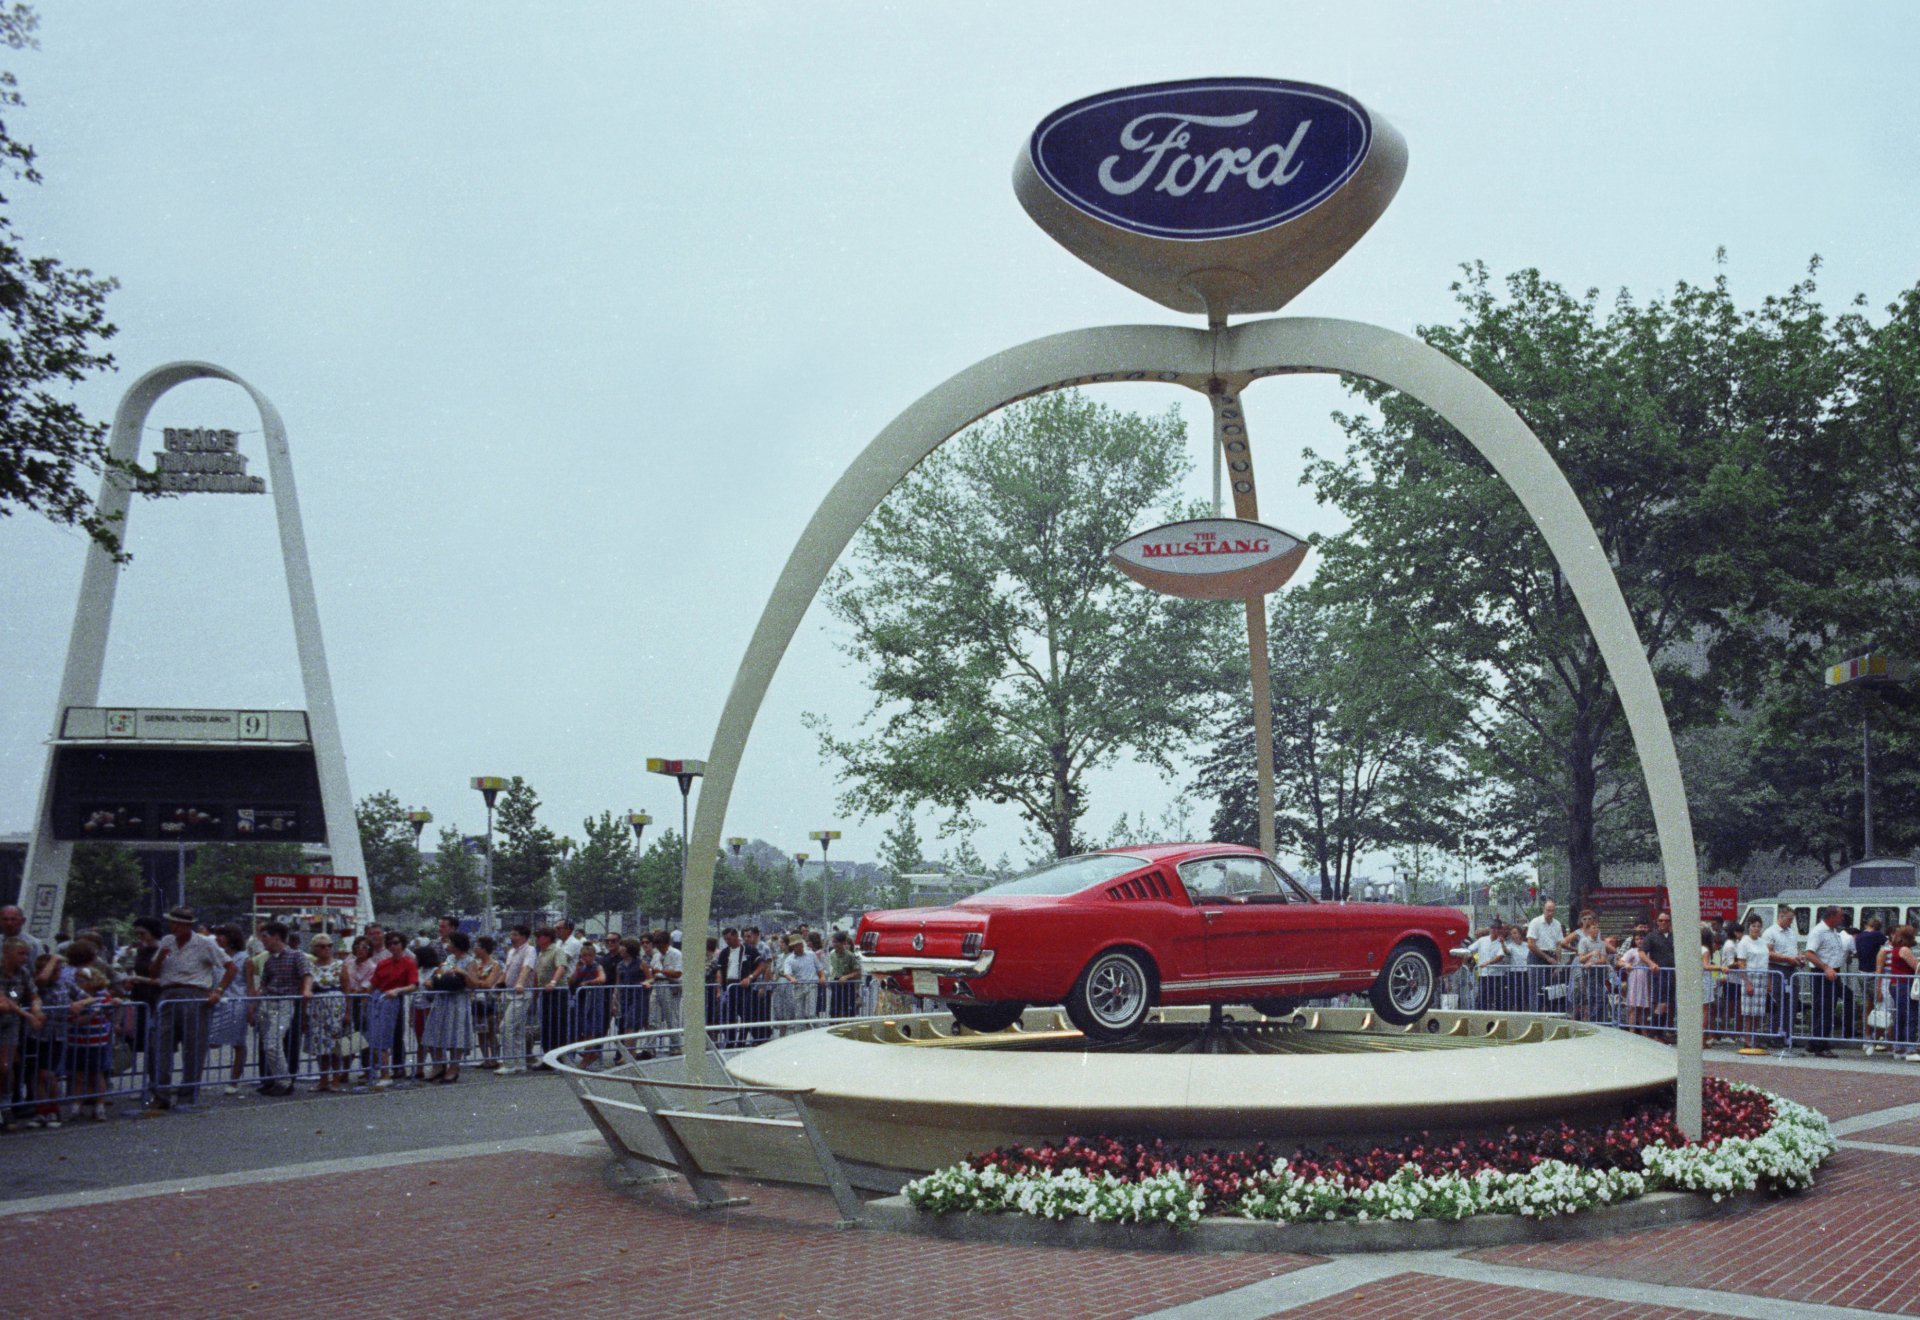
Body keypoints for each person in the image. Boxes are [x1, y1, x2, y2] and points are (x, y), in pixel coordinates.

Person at [147, 906, 234, 1112]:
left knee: (193, 1047)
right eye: (171, 923)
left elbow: (230, 966)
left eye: (177, 923)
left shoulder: (204, 943)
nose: (172, 927)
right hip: (168, 993)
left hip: (195, 993)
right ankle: (161, 1094)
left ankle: (188, 1094)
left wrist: (218, 991)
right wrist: (160, 957)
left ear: (187, 925)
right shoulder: (167, 941)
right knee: (159, 1044)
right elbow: (152, 973)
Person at [254, 922, 310, 1096]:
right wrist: (257, 996)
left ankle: (285, 1081)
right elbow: (264, 982)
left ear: (276, 937)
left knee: (272, 1044)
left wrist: (306, 990)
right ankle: (273, 1079)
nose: (262, 941)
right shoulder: (270, 960)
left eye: (265, 937)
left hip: (285, 1002)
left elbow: (307, 974)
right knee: (267, 1044)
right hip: (268, 1003)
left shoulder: (296, 956)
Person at [420, 930, 477, 1083]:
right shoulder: (449, 958)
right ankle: (438, 1065)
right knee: (435, 1032)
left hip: (458, 1001)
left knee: (455, 1034)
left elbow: (473, 985)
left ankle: (454, 1067)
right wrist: (432, 981)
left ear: (457, 945)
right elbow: (438, 973)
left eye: (450, 942)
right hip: (442, 1000)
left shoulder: (470, 961)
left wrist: (463, 973)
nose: (447, 945)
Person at [0, 937, 44, 1132]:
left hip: (10, 1024)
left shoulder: (23, 972)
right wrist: (28, 1015)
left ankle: (6, 1104)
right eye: (21, 954)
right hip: (8, 1015)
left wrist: (37, 1008)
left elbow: (33, 994)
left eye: (26, 954)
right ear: (7, 954)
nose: (25, 958)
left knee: (6, 1066)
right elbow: (4, 1002)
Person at [366, 932, 417, 1088]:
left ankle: (386, 1074)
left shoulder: (409, 963)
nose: (393, 946)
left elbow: (414, 985)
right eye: (390, 944)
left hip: (392, 1000)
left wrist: (397, 990)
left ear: (402, 944)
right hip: (377, 999)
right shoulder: (383, 963)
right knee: (373, 1036)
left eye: (396, 943)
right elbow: (373, 983)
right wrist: (364, 999)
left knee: (384, 1037)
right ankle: (380, 1071)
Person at [65, 962, 114, 1121]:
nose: (79, 984)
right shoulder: (74, 998)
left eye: (83, 980)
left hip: (97, 1041)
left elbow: (110, 1012)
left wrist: (115, 1005)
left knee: (97, 1074)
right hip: (77, 1041)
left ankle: (99, 1106)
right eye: (77, 980)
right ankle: (76, 1106)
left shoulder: (103, 995)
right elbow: (74, 1020)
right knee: (78, 1075)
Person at [304, 933, 349, 1090]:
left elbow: (347, 989)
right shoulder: (310, 966)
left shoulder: (340, 965)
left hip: (335, 1007)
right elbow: (306, 987)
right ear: (314, 949)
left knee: (336, 1045)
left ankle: (335, 1080)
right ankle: (323, 1080)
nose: (327, 949)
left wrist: (348, 1013)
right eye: (322, 946)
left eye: (329, 945)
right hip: (317, 1008)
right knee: (320, 1046)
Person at [1804, 906, 1848, 1057]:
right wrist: (1825, 967)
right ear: (1832, 916)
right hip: (1823, 973)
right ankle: (1819, 1044)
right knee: (1823, 1008)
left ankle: (1817, 1040)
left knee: (1828, 1008)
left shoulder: (1832, 931)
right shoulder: (1819, 931)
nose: (1842, 919)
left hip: (1833, 972)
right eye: (1840, 916)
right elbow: (1809, 953)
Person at [1763, 905, 1804, 1048]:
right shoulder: (1770, 932)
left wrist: (1799, 956)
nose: (1791, 922)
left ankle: (1788, 1035)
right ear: (1781, 917)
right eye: (1789, 919)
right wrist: (1787, 959)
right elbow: (1769, 953)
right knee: (1778, 1003)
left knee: (1791, 1003)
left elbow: (1796, 947)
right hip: (1777, 969)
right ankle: (1774, 1035)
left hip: (1791, 969)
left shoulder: (1791, 932)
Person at [498, 925, 537, 1074]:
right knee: (518, 1029)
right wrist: (500, 983)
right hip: (509, 993)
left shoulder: (530, 950)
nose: (511, 937)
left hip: (521, 994)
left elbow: (526, 968)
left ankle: (509, 1063)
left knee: (506, 1027)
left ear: (523, 937)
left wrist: (520, 983)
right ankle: (520, 1063)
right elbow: (507, 969)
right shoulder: (511, 951)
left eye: (515, 934)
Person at [1524, 899, 1570, 1013]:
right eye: (1548, 910)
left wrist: (1557, 962)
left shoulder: (1557, 924)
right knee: (1536, 988)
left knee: (1551, 988)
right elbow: (1531, 944)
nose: (1550, 913)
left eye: (1552, 910)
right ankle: (1535, 1013)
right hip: (1537, 955)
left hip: (1551, 956)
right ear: (1543, 910)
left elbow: (1559, 944)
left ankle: (1550, 1012)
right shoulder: (1535, 922)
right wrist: (1547, 957)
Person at [567, 936, 608, 1062]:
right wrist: (577, 970)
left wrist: (589, 983)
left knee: (590, 1028)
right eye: (583, 955)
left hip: (594, 1000)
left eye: (589, 955)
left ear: (594, 955)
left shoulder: (597, 966)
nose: (586, 958)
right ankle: (589, 1051)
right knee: (581, 1028)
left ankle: (591, 1053)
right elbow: (571, 982)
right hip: (583, 1000)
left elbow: (602, 978)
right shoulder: (582, 967)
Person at [1733, 915, 1772, 1045]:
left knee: (1759, 1012)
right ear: (1749, 927)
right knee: (1748, 1012)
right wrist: (1747, 982)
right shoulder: (1744, 942)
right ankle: (1747, 1038)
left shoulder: (1762, 942)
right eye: (1754, 926)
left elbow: (1766, 962)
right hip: (1749, 977)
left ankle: (1755, 1037)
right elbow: (1741, 964)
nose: (1756, 928)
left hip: (1762, 976)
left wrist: (1768, 980)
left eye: (1758, 926)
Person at [533, 928, 569, 1066]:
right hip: (545, 992)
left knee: (557, 1026)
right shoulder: (541, 953)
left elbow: (561, 967)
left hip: (558, 992)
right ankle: (548, 1058)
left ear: (547, 937)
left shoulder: (556, 950)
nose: (537, 939)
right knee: (547, 1026)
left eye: (539, 936)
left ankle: (560, 1059)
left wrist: (553, 982)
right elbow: (538, 974)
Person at [469, 935, 504, 1067]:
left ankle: (494, 1058)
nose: (474, 949)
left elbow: (489, 983)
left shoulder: (496, 965)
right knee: (481, 1031)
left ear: (484, 949)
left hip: (490, 1001)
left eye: (477, 946)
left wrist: (474, 981)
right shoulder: (474, 964)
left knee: (491, 1030)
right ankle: (486, 1058)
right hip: (476, 1001)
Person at [647, 928, 683, 1053]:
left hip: (670, 985)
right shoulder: (656, 955)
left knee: (671, 1017)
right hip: (657, 985)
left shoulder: (676, 954)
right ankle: (649, 1048)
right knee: (653, 1018)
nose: (660, 949)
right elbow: (652, 970)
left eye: (662, 946)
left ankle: (676, 1046)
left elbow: (678, 972)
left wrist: (661, 971)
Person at [1857, 916, 1888, 1054]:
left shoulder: (1859, 936)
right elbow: (1888, 946)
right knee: (1882, 1004)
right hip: (1873, 974)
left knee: (1868, 1006)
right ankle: (1879, 1037)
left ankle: (1867, 1037)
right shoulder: (1878, 936)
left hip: (1861, 973)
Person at [1889, 925, 1920, 1062]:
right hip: (1904, 984)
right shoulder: (1905, 949)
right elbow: (1916, 967)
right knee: (1910, 1015)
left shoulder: (1895, 948)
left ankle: (1899, 1047)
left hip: (1896, 983)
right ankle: (1910, 1048)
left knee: (1900, 1016)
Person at [1573, 914, 1610, 1022]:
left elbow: (1603, 959)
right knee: (1594, 997)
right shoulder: (1584, 941)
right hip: (1588, 973)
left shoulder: (1601, 943)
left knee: (1600, 997)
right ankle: (1593, 1020)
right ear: (1589, 930)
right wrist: (1591, 954)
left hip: (1599, 972)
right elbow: (1581, 959)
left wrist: (1593, 962)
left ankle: (1598, 1020)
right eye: (1594, 927)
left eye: (1597, 927)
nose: (1596, 930)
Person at [1465, 920, 1508, 1011]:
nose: (1494, 930)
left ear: (1500, 930)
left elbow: (1500, 956)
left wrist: (1487, 963)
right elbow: (1469, 950)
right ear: (1490, 929)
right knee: (1482, 999)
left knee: (1498, 1000)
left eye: (1497, 928)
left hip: (1497, 975)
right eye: (1493, 928)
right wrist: (1469, 957)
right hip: (1484, 975)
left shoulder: (1502, 942)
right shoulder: (1482, 940)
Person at [1645, 910, 1676, 1034]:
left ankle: (1661, 1032)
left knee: (1668, 1005)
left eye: (1666, 920)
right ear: (1657, 922)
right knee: (1661, 1004)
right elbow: (1642, 952)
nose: (1663, 923)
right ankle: (1655, 1033)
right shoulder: (1651, 936)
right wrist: (1651, 963)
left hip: (1672, 976)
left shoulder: (1674, 936)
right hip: (1659, 976)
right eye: (1661, 920)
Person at [1618, 930, 1654, 1036]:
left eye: (1641, 938)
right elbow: (1620, 961)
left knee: (1644, 1008)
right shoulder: (1632, 951)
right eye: (1637, 939)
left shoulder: (1649, 951)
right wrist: (1626, 964)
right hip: (1635, 980)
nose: (1639, 941)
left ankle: (1644, 1032)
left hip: (1647, 980)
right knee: (1633, 1006)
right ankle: (1631, 1032)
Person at [614, 938, 651, 1038]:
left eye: (623, 947)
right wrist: (614, 998)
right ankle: (627, 1051)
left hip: (637, 998)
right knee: (622, 1024)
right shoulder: (620, 965)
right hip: (623, 998)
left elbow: (650, 978)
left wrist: (646, 982)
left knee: (630, 1025)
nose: (620, 949)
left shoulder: (641, 963)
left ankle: (630, 1051)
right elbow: (617, 983)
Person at [827, 931, 862, 1019]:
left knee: (848, 1009)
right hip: (835, 984)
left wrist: (846, 977)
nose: (834, 944)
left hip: (847, 985)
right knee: (834, 1009)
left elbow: (857, 971)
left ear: (843, 943)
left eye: (836, 942)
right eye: (833, 942)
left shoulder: (850, 956)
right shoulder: (832, 954)